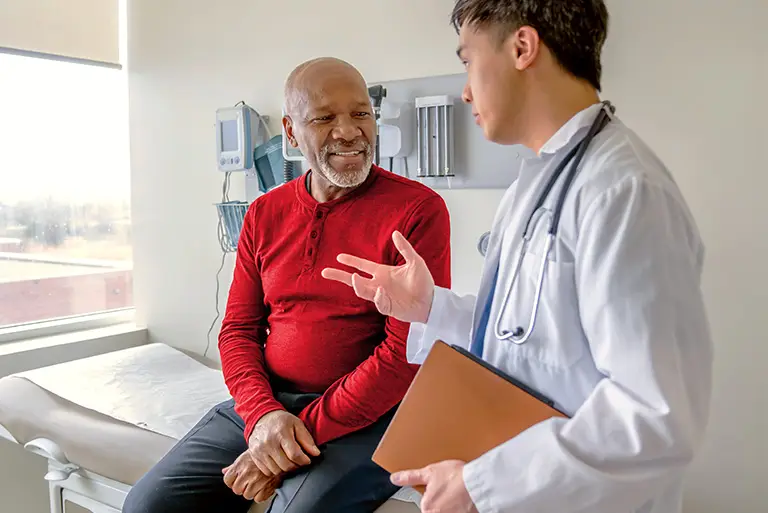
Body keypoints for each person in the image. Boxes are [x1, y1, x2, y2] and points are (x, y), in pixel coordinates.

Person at [322, 1, 714, 512]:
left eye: (468, 60)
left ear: (523, 48)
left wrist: (484, 484)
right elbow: (525, 343)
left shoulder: (624, 192)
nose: (464, 90)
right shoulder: (535, 182)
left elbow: (655, 415)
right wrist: (432, 308)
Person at [123, 57, 452, 513]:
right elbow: (237, 330)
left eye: (361, 113)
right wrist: (263, 416)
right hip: (272, 404)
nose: (349, 131)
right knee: (147, 506)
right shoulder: (264, 213)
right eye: (324, 118)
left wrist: (292, 437)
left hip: (376, 416)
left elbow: (404, 356)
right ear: (292, 132)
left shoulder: (417, 210)